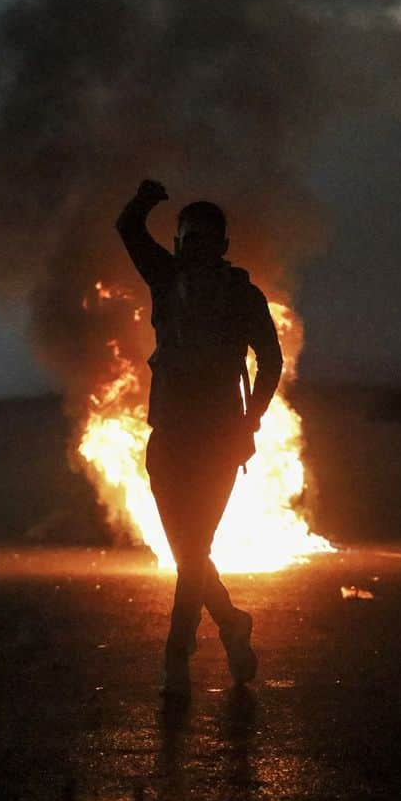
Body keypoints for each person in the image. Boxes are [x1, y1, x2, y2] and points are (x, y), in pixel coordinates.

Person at [116, 178, 283, 701]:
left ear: (224, 246)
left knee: (194, 551)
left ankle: (176, 656)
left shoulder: (242, 295)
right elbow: (127, 228)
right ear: (179, 243)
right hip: (168, 437)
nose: (198, 248)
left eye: (208, 240)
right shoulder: (164, 278)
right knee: (188, 551)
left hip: (219, 441)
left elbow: (271, 360)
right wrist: (145, 198)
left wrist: (250, 419)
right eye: (190, 239)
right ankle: (232, 623)